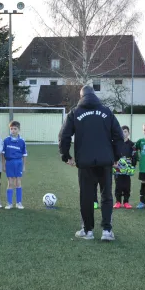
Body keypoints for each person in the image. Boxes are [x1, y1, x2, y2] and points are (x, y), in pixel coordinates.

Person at [59, 84, 123, 242]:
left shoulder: (75, 112)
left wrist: (66, 156)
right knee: (106, 195)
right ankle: (107, 231)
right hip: (105, 162)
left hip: (85, 162)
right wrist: (116, 156)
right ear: (94, 95)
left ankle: (87, 231)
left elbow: (64, 136)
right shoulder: (107, 112)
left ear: (81, 96)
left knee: (86, 197)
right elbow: (119, 136)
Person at [2, 121, 27, 210]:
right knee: (10, 182)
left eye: (15, 129)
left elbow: (24, 155)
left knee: (18, 182)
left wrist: (24, 165)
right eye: (11, 129)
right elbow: (3, 154)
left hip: (18, 163)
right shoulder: (6, 140)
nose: (13, 130)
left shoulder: (22, 141)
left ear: (19, 130)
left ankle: (19, 203)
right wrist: (3, 165)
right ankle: (9, 203)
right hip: (9, 163)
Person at [113, 125, 136, 209]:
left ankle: (126, 202)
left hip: (127, 169)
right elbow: (113, 155)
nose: (123, 133)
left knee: (126, 185)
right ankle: (118, 202)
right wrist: (114, 163)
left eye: (125, 131)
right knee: (118, 185)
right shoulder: (116, 144)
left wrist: (133, 166)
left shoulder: (132, 145)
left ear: (128, 133)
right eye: (122, 131)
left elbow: (134, 156)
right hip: (117, 168)